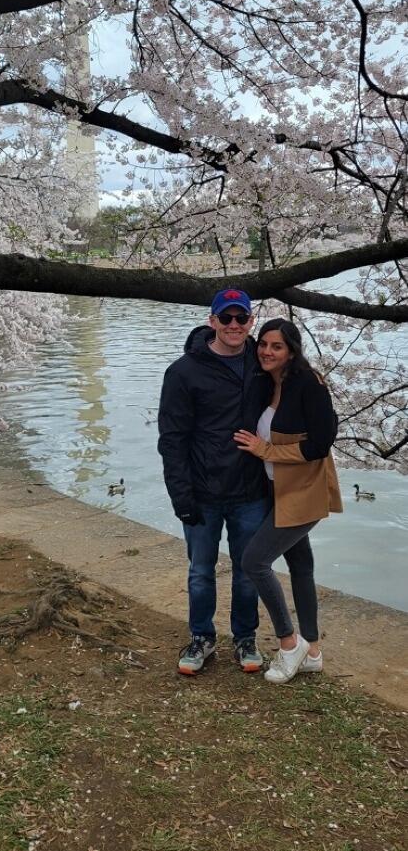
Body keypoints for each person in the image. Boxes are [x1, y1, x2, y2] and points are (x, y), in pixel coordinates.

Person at [158, 287, 271, 676]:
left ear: (251, 322)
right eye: (227, 318)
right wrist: (181, 495)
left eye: (242, 318)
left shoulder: (263, 365)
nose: (235, 325)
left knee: (248, 571)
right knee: (201, 572)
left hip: (251, 491)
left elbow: (295, 395)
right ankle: (202, 637)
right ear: (213, 322)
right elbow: (171, 440)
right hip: (203, 492)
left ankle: (245, 636)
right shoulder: (183, 372)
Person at [234, 318, 342, 685]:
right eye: (263, 344)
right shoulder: (268, 382)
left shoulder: (308, 385)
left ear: (291, 350)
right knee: (301, 564)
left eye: (276, 346)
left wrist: (266, 449)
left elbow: (320, 444)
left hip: (304, 490)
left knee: (255, 560)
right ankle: (311, 651)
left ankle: (289, 642)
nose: (267, 351)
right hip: (276, 489)